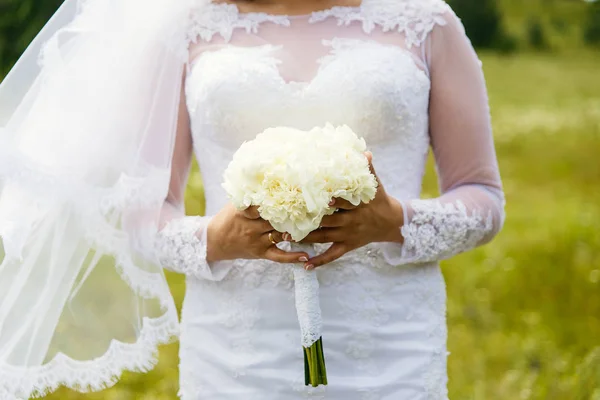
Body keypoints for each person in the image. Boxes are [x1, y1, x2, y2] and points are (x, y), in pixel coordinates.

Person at [0, 0, 505, 399]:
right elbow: (143, 216)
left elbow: (483, 197)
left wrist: (394, 221)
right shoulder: (189, 30)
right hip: (236, 354)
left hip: (387, 348)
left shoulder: (426, 23)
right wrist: (214, 239)